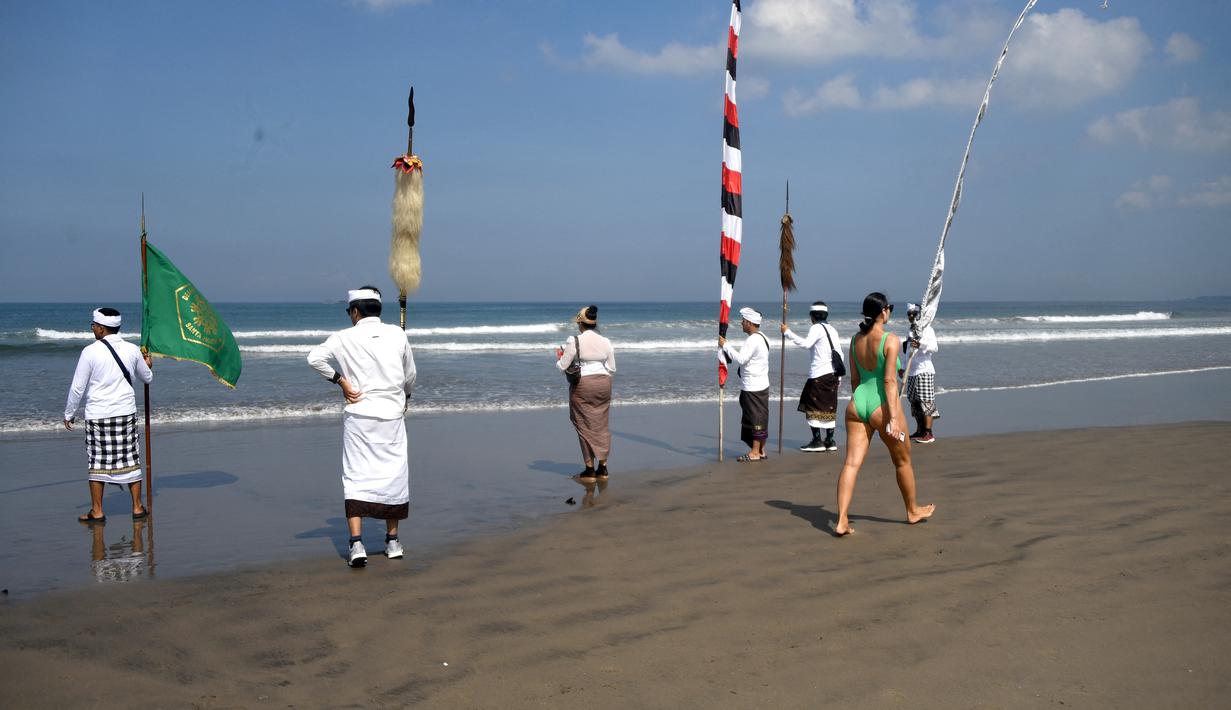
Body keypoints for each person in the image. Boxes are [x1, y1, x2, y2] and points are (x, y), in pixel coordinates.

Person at [308, 286, 416, 568]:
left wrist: (341, 381)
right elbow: (410, 375)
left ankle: (357, 545)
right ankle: (392, 541)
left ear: (355, 312)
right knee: (394, 475)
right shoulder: (397, 333)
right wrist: (405, 396)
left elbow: (314, 358)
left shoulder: (344, 337)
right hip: (391, 415)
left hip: (359, 415)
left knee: (356, 475)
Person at [834, 293, 935, 536]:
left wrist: (862, 401)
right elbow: (889, 380)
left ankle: (841, 520)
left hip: (858, 404)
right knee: (902, 461)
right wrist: (892, 419)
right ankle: (912, 511)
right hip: (883, 407)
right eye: (888, 308)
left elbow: (856, 379)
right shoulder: (890, 339)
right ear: (883, 313)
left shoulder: (855, 339)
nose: (890, 311)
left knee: (851, 463)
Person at [63, 308, 154, 524]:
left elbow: (78, 388)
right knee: (131, 458)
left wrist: (69, 413)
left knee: (97, 462)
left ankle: (97, 511)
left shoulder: (90, 352)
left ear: (101, 328)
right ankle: (137, 507)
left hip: (98, 415)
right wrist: (148, 363)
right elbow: (147, 378)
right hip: (125, 413)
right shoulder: (132, 350)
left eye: (93, 325)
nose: (92, 328)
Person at [555, 305, 616, 480]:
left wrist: (560, 357)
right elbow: (612, 367)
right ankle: (602, 468)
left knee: (583, 425)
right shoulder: (606, 341)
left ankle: (589, 470)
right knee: (601, 425)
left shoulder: (574, 340)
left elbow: (562, 367)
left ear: (580, 324)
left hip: (583, 384)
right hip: (604, 383)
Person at [782, 301, 845, 452]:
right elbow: (840, 354)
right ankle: (829, 441)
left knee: (812, 405)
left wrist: (787, 332)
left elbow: (806, 344)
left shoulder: (816, 328)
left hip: (819, 374)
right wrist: (840, 377)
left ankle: (817, 441)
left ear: (812, 316)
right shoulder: (832, 330)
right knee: (829, 407)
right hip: (833, 375)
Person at [719, 307, 771, 461]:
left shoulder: (753, 339)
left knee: (756, 418)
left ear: (749, 323)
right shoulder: (763, 337)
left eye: (743, 321)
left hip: (753, 386)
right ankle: (761, 450)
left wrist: (725, 345)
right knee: (759, 417)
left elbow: (742, 359)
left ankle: (755, 453)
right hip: (760, 383)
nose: (741, 323)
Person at [899, 302, 940, 443]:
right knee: (914, 402)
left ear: (920, 314)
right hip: (911, 372)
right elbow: (907, 352)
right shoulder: (910, 330)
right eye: (909, 314)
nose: (911, 316)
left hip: (924, 370)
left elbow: (934, 348)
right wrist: (904, 368)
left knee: (926, 401)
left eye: (914, 313)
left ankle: (929, 433)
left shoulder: (927, 329)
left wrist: (921, 345)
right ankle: (920, 430)